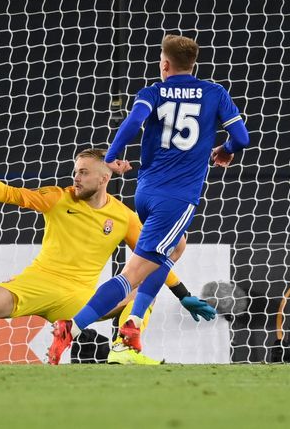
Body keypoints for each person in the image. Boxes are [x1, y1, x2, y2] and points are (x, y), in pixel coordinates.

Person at [0, 147, 216, 365]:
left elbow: (151, 259)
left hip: (80, 299)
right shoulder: (57, 197)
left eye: (83, 172)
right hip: (36, 284)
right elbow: (12, 194)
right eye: (75, 170)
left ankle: (125, 350)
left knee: (140, 291)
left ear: (105, 176)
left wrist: (183, 295)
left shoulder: (124, 217)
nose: (75, 177)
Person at [47, 34, 250, 364]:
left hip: (146, 193)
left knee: (176, 246)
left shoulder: (152, 92)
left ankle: (130, 329)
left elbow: (133, 123)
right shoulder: (215, 93)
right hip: (177, 199)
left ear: (165, 64)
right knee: (133, 275)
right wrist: (224, 151)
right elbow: (242, 137)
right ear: (192, 64)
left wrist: (112, 156)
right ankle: (75, 327)